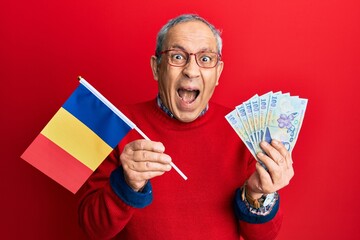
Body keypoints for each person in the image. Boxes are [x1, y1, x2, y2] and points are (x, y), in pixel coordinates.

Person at [77, 14, 294, 240]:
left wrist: (257, 194)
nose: (191, 70)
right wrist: (127, 184)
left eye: (205, 59)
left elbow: (263, 237)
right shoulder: (116, 123)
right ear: (156, 67)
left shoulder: (245, 130)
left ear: (218, 72)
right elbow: (93, 229)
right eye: (178, 57)